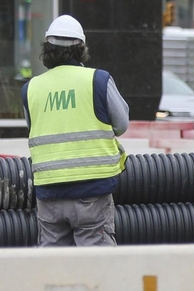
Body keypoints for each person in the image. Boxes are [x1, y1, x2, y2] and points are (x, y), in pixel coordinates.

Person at [22, 15, 129, 247]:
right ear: (81, 48)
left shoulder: (31, 89)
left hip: (49, 194)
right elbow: (121, 124)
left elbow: (34, 128)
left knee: (54, 264)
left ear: (47, 50)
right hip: (91, 194)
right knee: (95, 264)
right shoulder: (98, 81)